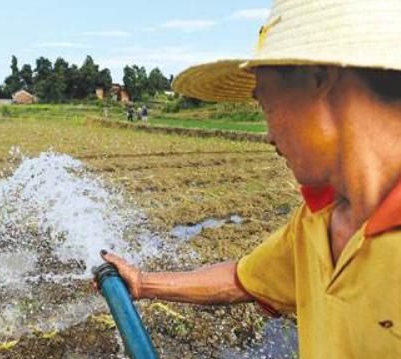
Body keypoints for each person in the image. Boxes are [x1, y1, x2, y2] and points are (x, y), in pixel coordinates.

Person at [99, 0, 401, 357]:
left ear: (318, 80)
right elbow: (241, 279)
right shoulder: (316, 222)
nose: (268, 135)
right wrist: (144, 282)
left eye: (266, 105)